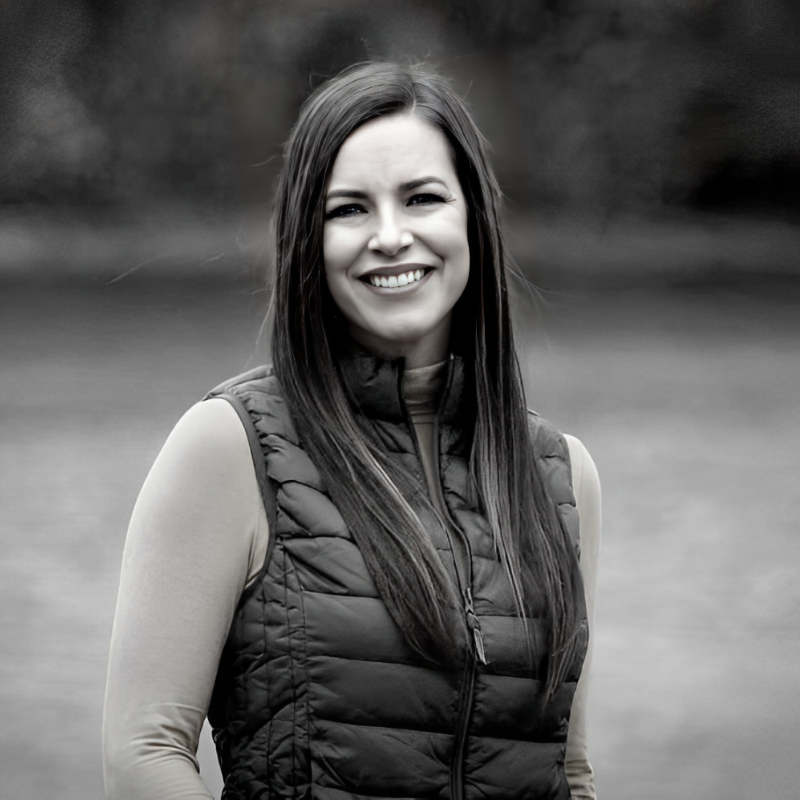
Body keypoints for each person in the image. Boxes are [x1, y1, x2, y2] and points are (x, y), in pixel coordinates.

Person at [103, 62, 601, 800]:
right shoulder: (230, 448)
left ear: (474, 219)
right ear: (309, 238)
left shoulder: (561, 474)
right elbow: (144, 750)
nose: (391, 236)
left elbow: (571, 771)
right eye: (350, 210)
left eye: (422, 198)